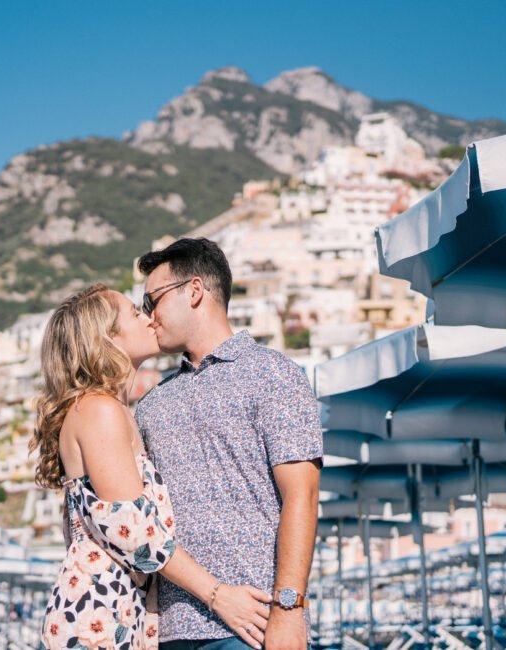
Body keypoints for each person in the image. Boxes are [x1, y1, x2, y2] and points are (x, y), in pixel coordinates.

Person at [34, 283, 273, 650]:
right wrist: (219, 596)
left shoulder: (114, 411)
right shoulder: (99, 411)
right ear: (107, 340)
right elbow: (137, 534)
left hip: (120, 610)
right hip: (98, 613)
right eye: (134, 312)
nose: (149, 318)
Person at [135, 238, 322, 650]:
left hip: (253, 626)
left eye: (153, 301)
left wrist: (289, 610)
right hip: (170, 629)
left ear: (195, 290)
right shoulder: (150, 406)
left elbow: (302, 496)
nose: (149, 317)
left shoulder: (274, 375)